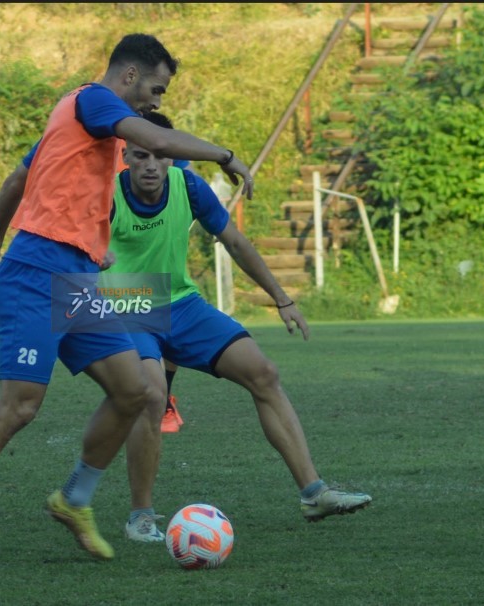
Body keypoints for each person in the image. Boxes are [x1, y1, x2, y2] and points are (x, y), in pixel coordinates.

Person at [0, 33, 255, 580]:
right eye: (155, 89)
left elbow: (20, 177)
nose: (156, 102)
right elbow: (156, 139)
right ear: (129, 76)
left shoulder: (82, 123)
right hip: (35, 274)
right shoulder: (94, 100)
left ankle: (74, 499)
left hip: (76, 279)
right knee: (19, 407)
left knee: (136, 390)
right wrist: (226, 155)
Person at [108, 111, 372, 543]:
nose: (151, 164)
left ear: (173, 156)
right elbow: (72, 256)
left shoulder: (189, 186)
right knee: (151, 396)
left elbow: (234, 241)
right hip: (126, 304)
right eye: (141, 155)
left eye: (160, 154)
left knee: (263, 373)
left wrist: (282, 298)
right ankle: (142, 517)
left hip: (181, 303)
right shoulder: (105, 195)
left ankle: (314, 493)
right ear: (125, 156)